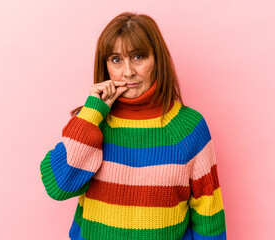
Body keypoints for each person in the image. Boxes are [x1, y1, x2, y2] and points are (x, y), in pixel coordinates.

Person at [40, 11, 227, 240]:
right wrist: (91, 113)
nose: (128, 72)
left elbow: (209, 215)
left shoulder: (188, 127)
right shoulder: (92, 121)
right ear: (106, 65)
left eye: (138, 56)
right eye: (116, 59)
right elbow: (59, 186)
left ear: (156, 59)